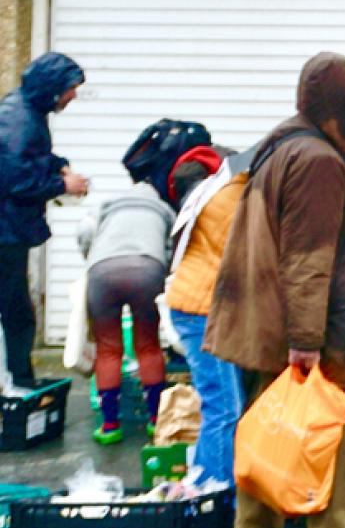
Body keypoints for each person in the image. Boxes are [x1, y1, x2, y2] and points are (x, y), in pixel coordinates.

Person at [207, 53, 345, 528]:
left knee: (271, 427)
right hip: (314, 327)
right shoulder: (318, 161)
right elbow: (308, 259)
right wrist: (307, 339)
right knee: (336, 424)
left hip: (265, 319)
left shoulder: (280, 147)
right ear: (344, 105)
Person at [74, 142, 177, 444]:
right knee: (148, 346)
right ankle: (155, 421)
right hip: (147, 269)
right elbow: (171, 248)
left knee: (108, 349)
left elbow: (85, 232)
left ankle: (109, 427)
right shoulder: (163, 207)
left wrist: (92, 258)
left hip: (102, 271)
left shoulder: (111, 202)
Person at [0, 52, 87, 390]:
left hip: (10, 230)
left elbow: (29, 160)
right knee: (17, 311)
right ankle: (18, 382)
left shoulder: (26, 111)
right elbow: (14, 181)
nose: (74, 95)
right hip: (5, 232)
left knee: (16, 309)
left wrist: (58, 164)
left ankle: (18, 379)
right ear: (53, 89)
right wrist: (62, 185)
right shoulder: (19, 121)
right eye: (71, 89)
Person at [164, 145, 245, 489]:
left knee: (225, 405)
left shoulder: (217, 192)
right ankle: (212, 489)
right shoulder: (233, 197)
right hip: (201, 309)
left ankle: (208, 479)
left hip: (200, 305)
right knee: (224, 407)